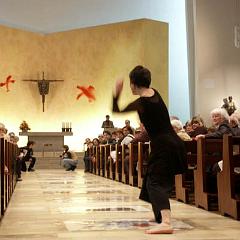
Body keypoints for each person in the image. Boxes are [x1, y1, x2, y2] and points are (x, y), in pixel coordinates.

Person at [112, 65, 186, 234]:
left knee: (155, 183)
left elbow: (116, 110)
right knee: (150, 179)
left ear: (133, 83)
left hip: (164, 146)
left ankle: (166, 223)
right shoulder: (155, 92)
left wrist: (116, 93)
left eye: (131, 83)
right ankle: (160, 216)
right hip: (171, 143)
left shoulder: (140, 103)